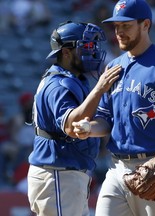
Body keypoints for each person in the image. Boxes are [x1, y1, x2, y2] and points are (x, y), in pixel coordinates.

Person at [72, 0, 155, 215]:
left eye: (126, 25)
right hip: (117, 168)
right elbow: (105, 120)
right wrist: (89, 128)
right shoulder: (114, 67)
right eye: (116, 26)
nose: (119, 32)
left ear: (146, 25)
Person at [27, 21, 121, 216]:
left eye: (92, 45)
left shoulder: (72, 79)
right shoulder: (58, 85)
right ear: (66, 52)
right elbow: (71, 125)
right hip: (58, 174)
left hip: (64, 174)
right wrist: (100, 89)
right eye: (85, 46)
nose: (92, 50)